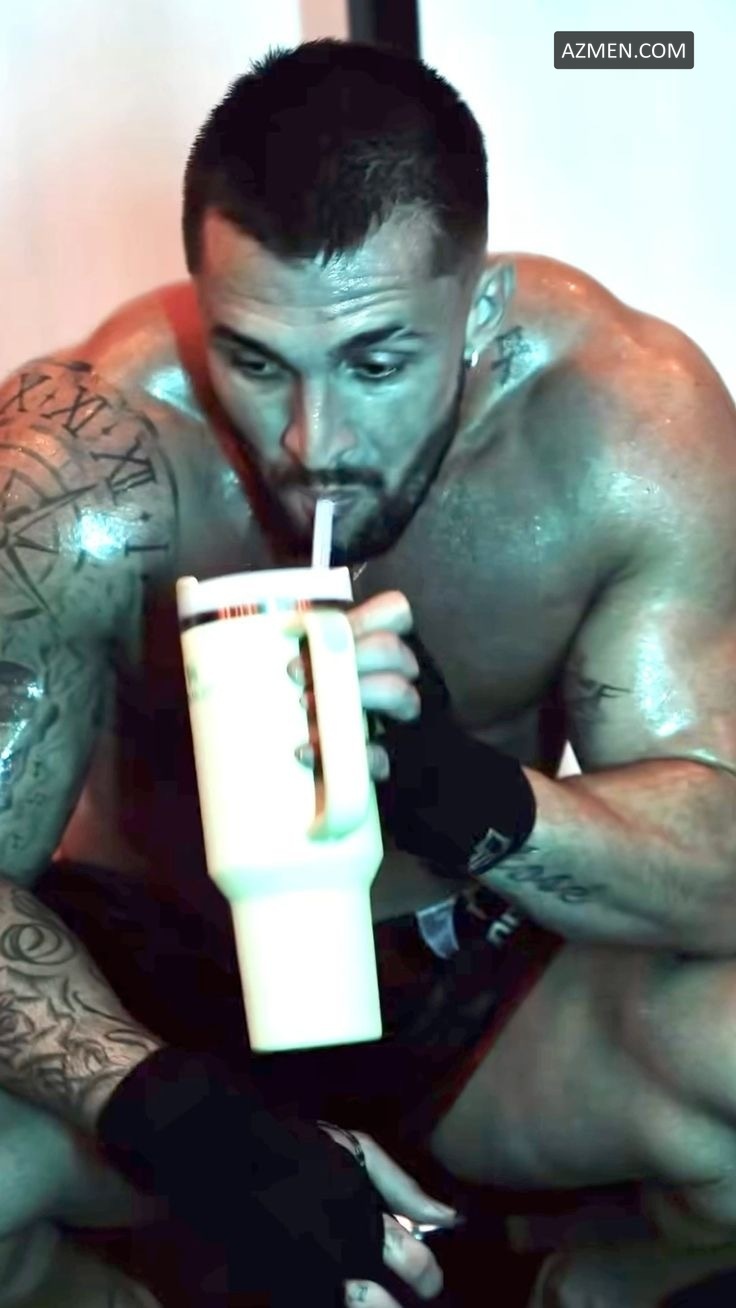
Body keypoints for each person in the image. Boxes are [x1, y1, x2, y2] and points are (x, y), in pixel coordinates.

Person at [0, 34, 736, 1306]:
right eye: (254, 360)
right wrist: (166, 1111)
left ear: (479, 312)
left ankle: (566, 1288)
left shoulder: (620, 428)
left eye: (378, 362)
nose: (314, 440)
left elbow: (721, 872)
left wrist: (476, 800)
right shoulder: (82, 466)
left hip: (474, 996)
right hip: (150, 980)